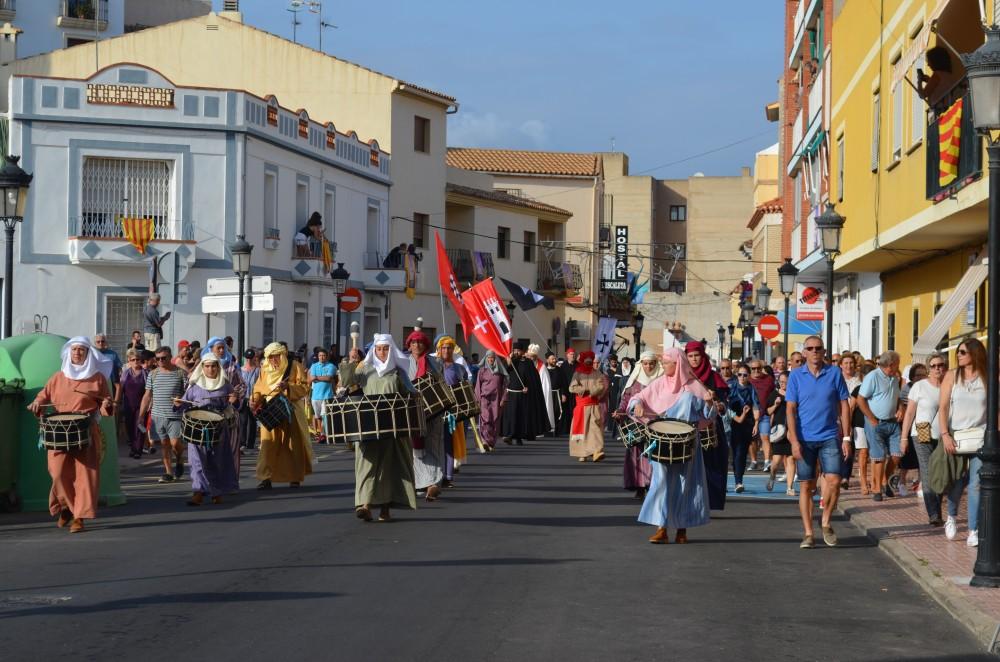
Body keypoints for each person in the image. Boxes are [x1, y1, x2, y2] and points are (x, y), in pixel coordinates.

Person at [629, 348, 716, 544]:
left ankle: (682, 529)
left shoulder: (695, 387)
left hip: (688, 444)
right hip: (661, 443)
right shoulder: (659, 383)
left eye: (667, 362)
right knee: (661, 484)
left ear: (678, 365)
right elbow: (637, 398)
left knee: (686, 485)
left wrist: (710, 404)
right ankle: (661, 528)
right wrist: (637, 405)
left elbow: (710, 416)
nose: (664, 365)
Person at [27, 337, 113, 534]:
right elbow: (43, 395)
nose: (77, 353)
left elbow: (105, 402)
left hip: (85, 430)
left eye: (81, 350)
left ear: (87, 354)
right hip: (58, 431)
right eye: (74, 350)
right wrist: (37, 403)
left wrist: (106, 404)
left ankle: (79, 517)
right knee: (57, 473)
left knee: (85, 476)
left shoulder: (97, 378)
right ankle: (65, 506)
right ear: (69, 352)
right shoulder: (58, 377)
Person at [340, 336, 418, 521]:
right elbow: (346, 381)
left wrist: (416, 396)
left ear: (391, 350)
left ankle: (385, 509)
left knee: (390, 468)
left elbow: (410, 394)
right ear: (373, 351)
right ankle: (364, 504)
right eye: (379, 349)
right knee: (366, 465)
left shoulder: (398, 373)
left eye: (385, 349)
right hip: (368, 426)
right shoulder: (365, 369)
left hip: (392, 428)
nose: (382, 352)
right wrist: (351, 362)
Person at [786, 335, 851, 549]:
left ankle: (825, 522)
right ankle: (807, 533)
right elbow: (790, 409)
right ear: (804, 352)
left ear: (824, 351)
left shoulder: (834, 373)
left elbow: (844, 405)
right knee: (807, 485)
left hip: (830, 435)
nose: (815, 351)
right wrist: (794, 440)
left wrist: (847, 437)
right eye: (810, 348)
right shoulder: (796, 376)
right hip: (805, 439)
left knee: (834, 480)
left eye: (818, 348)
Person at [938, 338, 987, 547]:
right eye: (958, 352)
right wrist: (945, 434)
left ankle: (973, 530)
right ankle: (951, 516)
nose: (958, 355)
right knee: (957, 481)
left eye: (963, 352)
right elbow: (943, 408)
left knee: (976, 484)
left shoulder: (988, 377)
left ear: (975, 354)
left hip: (981, 436)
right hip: (956, 436)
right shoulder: (951, 376)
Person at [175, 355, 239, 506]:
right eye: (207, 366)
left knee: (216, 461)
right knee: (196, 461)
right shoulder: (195, 385)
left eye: (213, 366)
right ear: (202, 368)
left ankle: (216, 492)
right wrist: (178, 403)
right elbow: (184, 404)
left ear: (218, 367)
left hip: (218, 429)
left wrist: (234, 401)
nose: (210, 369)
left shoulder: (225, 385)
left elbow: (235, 405)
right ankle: (198, 492)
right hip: (197, 429)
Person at [253, 343, 313, 490]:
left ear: (283, 355)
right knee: (267, 444)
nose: (273, 360)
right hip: (270, 411)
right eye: (270, 357)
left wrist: (289, 387)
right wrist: (254, 399)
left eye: (276, 356)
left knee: (293, 444)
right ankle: (265, 477)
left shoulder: (295, 366)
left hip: (290, 409)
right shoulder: (264, 370)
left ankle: (295, 477)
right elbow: (258, 388)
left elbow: (305, 387)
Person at [901, 352, 949, 527]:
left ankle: (937, 508)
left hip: (943, 434)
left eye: (941, 365)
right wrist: (904, 437)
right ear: (929, 369)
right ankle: (934, 513)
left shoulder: (949, 386)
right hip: (921, 431)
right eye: (934, 366)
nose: (938, 369)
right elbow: (910, 413)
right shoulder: (920, 386)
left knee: (941, 473)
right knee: (928, 472)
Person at [685, 341, 731, 511]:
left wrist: (718, 405)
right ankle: (686, 502)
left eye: (697, 355)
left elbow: (723, 403)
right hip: (686, 427)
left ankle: (709, 502)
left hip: (710, 427)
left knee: (712, 465)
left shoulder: (713, 377)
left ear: (703, 356)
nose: (694, 359)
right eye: (690, 356)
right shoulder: (682, 376)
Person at [857, 351, 903, 502]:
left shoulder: (895, 378)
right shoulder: (873, 376)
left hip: (892, 422)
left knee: (897, 454)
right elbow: (860, 399)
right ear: (891, 365)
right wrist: (871, 418)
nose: (898, 367)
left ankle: (886, 480)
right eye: (897, 364)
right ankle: (877, 489)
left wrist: (900, 408)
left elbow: (897, 398)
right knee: (879, 457)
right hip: (875, 422)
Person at [614, 350, 661, 498]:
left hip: (656, 424)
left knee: (654, 455)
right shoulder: (633, 381)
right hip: (636, 424)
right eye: (645, 363)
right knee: (636, 455)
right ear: (641, 364)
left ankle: (652, 485)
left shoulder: (661, 380)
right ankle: (639, 486)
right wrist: (619, 412)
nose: (648, 366)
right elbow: (625, 401)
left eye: (651, 364)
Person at [405, 330, 445, 500]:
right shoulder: (402, 363)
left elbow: (441, 383)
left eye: (420, 342)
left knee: (432, 446)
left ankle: (433, 483)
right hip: (411, 412)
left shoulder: (435, 362)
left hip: (433, 410)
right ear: (409, 345)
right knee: (414, 451)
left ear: (425, 345)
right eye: (413, 343)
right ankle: (420, 483)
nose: (416, 345)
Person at [139, 346, 187, 483]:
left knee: (175, 443)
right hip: (157, 415)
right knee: (164, 444)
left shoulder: (179, 373)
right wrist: (141, 415)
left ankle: (179, 459)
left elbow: (187, 393)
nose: (160, 361)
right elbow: (147, 395)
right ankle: (168, 472)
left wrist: (180, 397)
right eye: (158, 358)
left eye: (163, 358)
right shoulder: (153, 374)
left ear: (170, 357)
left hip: (175, 415)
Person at [205, 336, 246, 489]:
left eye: (223, 348)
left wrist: (234, 395)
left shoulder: (231, 366)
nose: (221, 351)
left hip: (228, 413)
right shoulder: (202, 366)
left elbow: (242, 385)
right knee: (210, 450)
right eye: (218, 348)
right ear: (211, 350)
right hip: (208, 415)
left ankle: (231, 481)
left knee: (232, 448)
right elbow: (191, 385)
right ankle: (211, 482)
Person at [501, 342, 547, 445]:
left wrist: (528, 387)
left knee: (520, 416)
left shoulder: (528, 363)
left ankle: (518, 437)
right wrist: (508, 362)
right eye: (515, 350)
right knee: (511, 416)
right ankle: (509, 435)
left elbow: (533, 379)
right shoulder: (510, 361)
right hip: (511, 393)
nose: (516, 352)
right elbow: (504, 372)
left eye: (518, 350)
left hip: (523, 394)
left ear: (522, 351)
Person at [567, 350, 608, 462]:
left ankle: (597, 451)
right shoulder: (577, 373)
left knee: (595, 429)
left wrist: (592, 392)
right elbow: (572, 388)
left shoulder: (597, 373)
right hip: (581, 406)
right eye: (587, 361)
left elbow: (601, 386)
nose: (589, 363)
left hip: (594, 405)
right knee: (582, 430)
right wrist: (584, 390)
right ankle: (582, 453)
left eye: (591, 361)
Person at [728, 364, 760, 493]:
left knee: (741, 453)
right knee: (734, 453)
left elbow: (756, 406)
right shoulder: (731, 387)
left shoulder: (752, 389)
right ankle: (736, 476)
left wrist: (756, 424)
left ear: (749, 376)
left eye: (745, 375)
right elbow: (725, 405)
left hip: (747, 423)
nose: (742, 377)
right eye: (739, 374)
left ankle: (738, 481)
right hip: (732, 422)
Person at [765, 372, 795, 495]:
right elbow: (767, 411)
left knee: (791, 460)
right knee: (776, 461)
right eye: (781, 382)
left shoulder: (794, 394)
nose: (783, 384)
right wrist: (776, 405)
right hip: (778, 430)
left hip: (792, 430)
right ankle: (772, 476)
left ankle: (789, 487)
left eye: (786, 382)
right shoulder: (774, 395)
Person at [116, 349, 147, 459]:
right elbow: (120, 389)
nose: (135, 361)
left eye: (137, 359)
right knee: (129, 428)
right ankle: (133, 448)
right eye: (132, 359)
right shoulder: (125, 373)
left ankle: (138, 450)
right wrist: (117, 403)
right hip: (128, 405)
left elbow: (149, 391)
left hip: (141, 405)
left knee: (139, 427)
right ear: (129, 360)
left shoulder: (145, 374)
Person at [474, 351, 507, 452]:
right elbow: (478, 386)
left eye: (492, 358)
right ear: (486, 359)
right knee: (485, 418)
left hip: (496, 399)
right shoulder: (482, 371)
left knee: (495, 420)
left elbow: (505, 386)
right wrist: (477, 399)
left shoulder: (500, 372)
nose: (490, 359)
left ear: (495, 359)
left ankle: (491, 442)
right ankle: (484, 441)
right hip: (484, 398)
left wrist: (504, 399)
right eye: (488, 357)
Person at [748, 359, 775, 472]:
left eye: (758, 368)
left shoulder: (768, 380)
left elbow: (774, 395)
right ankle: (754, 461)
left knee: (765, 437)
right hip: (750, 416)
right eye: (753, 369)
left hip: (764, 414)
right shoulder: (747, 379)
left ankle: (767, 462)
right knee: (752, 440)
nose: (756, 370)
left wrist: (773, 411)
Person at [526, 344, 555, 436]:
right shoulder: (525, 364)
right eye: (529, 356)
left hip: (537, 394)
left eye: (532, 357)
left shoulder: (541, 367)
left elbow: (545, 385)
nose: (530, 358)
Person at [308, 348, 336, 442]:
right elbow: (311, 379)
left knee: (325, 416)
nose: (322, 357)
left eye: (323, 355)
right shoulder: (314, 366)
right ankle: (321, 433)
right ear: (318, 356)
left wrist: (316, 377)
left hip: (327, 395)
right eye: (320, 355)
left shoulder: (331, 366)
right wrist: (318, 378)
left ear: (326, 356)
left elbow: (329, 378)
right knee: (318, 417)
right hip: (315, 396)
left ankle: (324, 434)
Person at [240, 349, 261, 450]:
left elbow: (259, 384)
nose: (249, 360)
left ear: (254, 358)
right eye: (247, 358)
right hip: (243, 398)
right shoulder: (240, 370)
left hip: (253, 398)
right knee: (243, 420)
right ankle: (242, 443)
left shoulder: (258, 370)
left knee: (252, 421)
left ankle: (250, 444)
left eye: (251, 358)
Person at [544, 351, 567, 438]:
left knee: (557, 411)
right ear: (547, 360)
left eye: (554, 359)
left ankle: (557, 430)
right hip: (547, 393)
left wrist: (563, 394)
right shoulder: (544, 370)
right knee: (547, 411)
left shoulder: (559, 370)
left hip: (557, 393)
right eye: (552, 359)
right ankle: (547, 430)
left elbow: (563, 383)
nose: (554, 360)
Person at [557, 348, 578, 435]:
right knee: (566, 411)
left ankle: (575, 428)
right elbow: (561, 381)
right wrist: (563, 394)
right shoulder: (563, 366)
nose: (572, 356)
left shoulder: (578, 366)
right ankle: (566, 429)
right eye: (571, 354)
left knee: (575, 410)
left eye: (573, 354)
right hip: (566, 392)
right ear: (567, 355)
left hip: (576, 392)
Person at [604, 354, 624, 432]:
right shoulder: (608, 371)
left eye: (615, 361)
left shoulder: (620, 369)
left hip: (619, 390)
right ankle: (611, 426)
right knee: (612, 407)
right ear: (610, 362)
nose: (614, 363)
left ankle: (619, 426)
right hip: (612, 391)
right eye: (612, 362)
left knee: (620, 406)